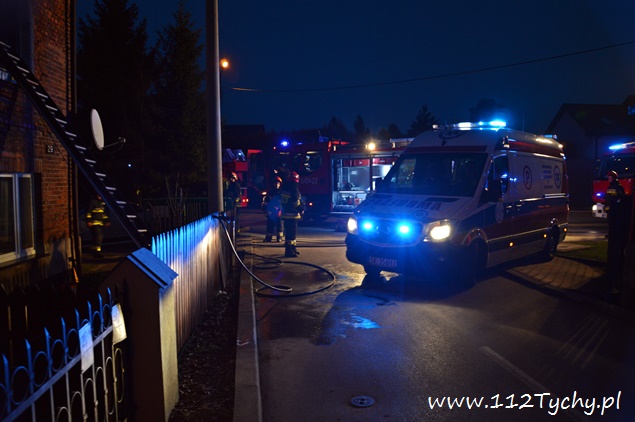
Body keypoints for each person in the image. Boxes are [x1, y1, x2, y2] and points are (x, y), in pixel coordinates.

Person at [605, 170, 627, 293]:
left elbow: (620, 200)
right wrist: (607, 209)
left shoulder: (619, 187)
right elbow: (607, 200)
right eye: (608, 177)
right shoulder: (610, 188)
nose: (608, 178)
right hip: (612, 215)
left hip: (616, 215)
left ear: (614, 178)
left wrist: (613, 207)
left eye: (610, 177)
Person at [280, 171, 303, 257]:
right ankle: (289, 251)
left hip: (285, 214)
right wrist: (301, 208)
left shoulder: (284, 190)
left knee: (289, 233)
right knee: (292, 234)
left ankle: (292, 248)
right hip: (292, 215)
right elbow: (295, 202)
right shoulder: (294, 190)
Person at [86, 194, 110, 258]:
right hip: (94, 223)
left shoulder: (101, 203)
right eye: (99, 195)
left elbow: (103, 214)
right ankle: (96, 252)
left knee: (98, 238)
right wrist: (89, 221)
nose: (100, 197)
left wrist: (107, 221)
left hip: (100, 223)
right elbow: (88, 212)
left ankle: (95, 251)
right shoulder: (92, 202)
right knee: (98, 237)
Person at [262, 176, 284, 242]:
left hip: (279, 211)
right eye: (275, 183)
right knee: (270, 225)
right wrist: (265, 209)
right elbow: (267, 201)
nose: (276, 184)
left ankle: (279, 237)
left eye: (278, 183)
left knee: (279, 225)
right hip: (271, 211)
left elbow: (283, 202)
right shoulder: (270, 192)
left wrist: (281, 210)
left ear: (280, 184)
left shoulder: (282, 193)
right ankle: (268, 238)